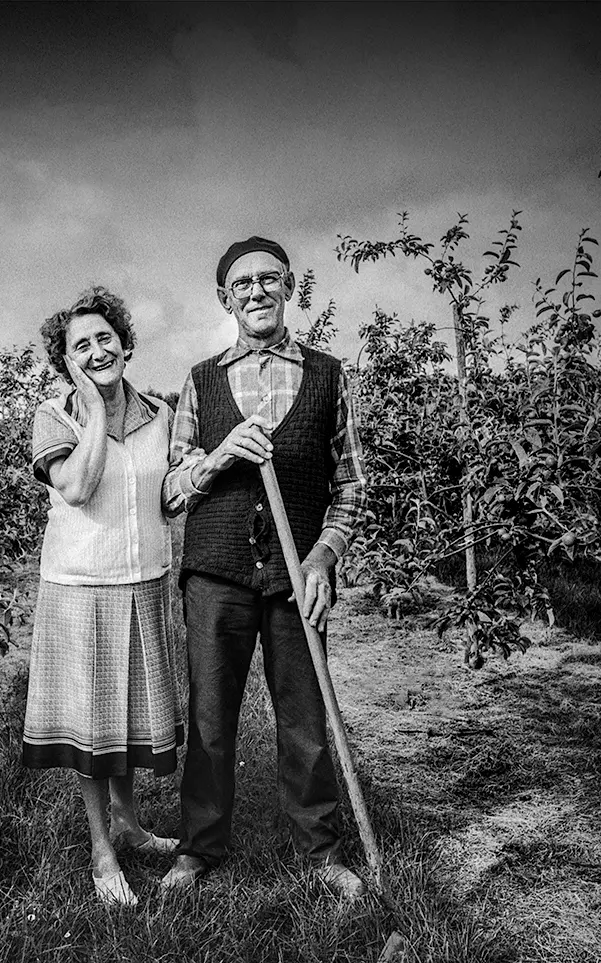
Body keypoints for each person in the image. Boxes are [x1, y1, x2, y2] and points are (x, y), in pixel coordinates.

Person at [158, 236, 370, 901]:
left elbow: (352, 485)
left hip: (294, 575)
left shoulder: (330, 375)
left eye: (268, 279)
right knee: (212, 719)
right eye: (242, 283)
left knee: (305, 718)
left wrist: (322, 558)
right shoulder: (201, 379)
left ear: (289, 287)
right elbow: (170, 490)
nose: (256, 291)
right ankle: (200, 848)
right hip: (216, 571)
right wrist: (220, 456)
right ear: (225, 298)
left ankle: (320, 853)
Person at [20, 286, 185, 906]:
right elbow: (79, 487)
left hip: (143, 580)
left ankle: (130, 822)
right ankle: (100, 847)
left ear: (124, 341)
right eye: (79, 345)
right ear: (64, 360)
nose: (97, 350)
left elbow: (168, 495)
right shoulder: (54, 417)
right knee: (94, 726)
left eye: (104, 338)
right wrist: (91, 406)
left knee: (127, 716)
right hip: (83, 586)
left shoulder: (158, 414)